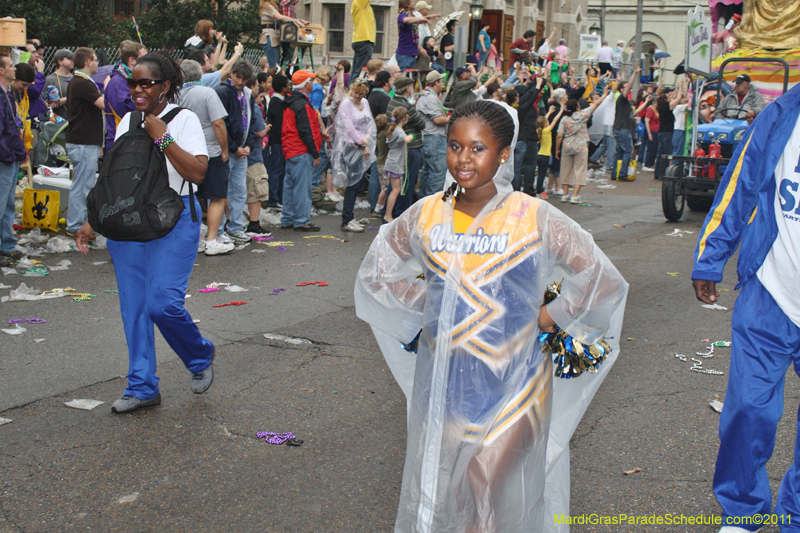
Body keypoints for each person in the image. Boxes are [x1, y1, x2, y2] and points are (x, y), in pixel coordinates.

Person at [354, 98, 627, 533]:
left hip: (515, 385)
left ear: (504, 153)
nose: (463, 159)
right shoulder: (426, 214)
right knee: (449, 494)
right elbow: (376, 275)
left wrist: (547, 317)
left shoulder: (534, 216)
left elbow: (602, 280)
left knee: (484, 495)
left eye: (478, 148)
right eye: (455, 146)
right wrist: (433, 306)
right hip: (445, 386)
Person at [75, 52, 214, 414]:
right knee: (134, 309)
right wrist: (94, 219)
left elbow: (197, 174)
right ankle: (142, 386)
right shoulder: (126, 122)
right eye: (133, 82)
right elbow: (115, 178)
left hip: (175, 223)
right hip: (127, 226)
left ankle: (199, 355)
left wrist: (163, 138)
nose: (136, 89)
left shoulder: (183, 120)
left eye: (145, 83)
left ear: (165, 86)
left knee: (162, 305)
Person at [690, 82, 800, 533]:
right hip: (770, 293)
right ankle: (742, 510)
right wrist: (710, 257)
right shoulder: (779, 117)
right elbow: (738, 187)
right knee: (749, 409)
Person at [177, 59, 234, 256]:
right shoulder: (207, 93)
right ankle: (211, 240)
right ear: (199, 74)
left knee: (191, 196)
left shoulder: (175, 95)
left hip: (183, 153)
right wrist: (224, 150)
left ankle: (195, 239)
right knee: (217, 196)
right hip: (209, 151)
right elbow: (218, 123)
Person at [65, 47, 104, 238]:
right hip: (83, 141)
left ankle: (79, 222)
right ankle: (76, 224)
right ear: (88, 62)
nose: (97, 63)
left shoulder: (78, 81)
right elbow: (103, 104)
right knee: (82, 185)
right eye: (95, 60)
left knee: (83, 183)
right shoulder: (84, 83)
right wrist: (109, 87)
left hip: (83, 140)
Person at [215, 60, 256, 244]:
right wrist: (232, 147)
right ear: (231, 74)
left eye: (244, 78)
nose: (240, 81)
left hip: (242, 149)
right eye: (237, 77)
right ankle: (218, 228)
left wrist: (249, 145)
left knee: (239, 191)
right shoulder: (223, 91)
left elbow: (251, 120)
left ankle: (235, 227)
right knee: (221, 191)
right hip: (228, 149)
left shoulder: (247, 93)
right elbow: (221, 123)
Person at [332, 79, 376, 233]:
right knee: (352, 184)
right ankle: (347, 219)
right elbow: (348, 126)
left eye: (361, 94)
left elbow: (370, 122)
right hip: (351, 147)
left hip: (363, 145)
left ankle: (349, 216)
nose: (358, 96)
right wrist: (362, 142)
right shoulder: (346, 103)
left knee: (358, 184)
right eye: (356, 93)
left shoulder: (365, 102)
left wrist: (368, 140)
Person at [280, 70, 322, 231]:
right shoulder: (303, 104)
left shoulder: (290, 102)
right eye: (311, 81)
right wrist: (315, 153)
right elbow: (306, 130)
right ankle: (301, 220)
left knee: (290, 186)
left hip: (290, 149)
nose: (313, 83)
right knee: (302, 187)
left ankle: (288, 218)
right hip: (301, 149)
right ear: (306, 85)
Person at [556, 82, 610, 204]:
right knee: (580, 170)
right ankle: (575, 195)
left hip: (567, 146)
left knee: (565, 169)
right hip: (581, 146)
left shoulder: (565, 119)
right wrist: (605, 93)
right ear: (577, 107)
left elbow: (559, 135)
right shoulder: (583, 115)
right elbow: (596, 103)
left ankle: (565, 195)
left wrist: (557, 149)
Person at [0, 54, 26, 267]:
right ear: (1, 70)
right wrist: (7, 155)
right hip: (5, 159)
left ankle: (6, 245)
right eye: (10, 66)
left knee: (8, 205)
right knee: (1, 206)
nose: (14, 68)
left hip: (12, 155)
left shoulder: (8, 93)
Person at [386, 75, 424, 217]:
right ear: (408, 88)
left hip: (397, 151)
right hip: (410, 149)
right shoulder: (406, 105)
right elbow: (421, 124)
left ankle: (388, 211)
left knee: (395, 184)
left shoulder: (391, 102)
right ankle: (401, 214)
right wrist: (413, 125)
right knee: (407, 183)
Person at [104, 40, 147, 153]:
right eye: (144, 59)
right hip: (120, 142)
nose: (148, 63)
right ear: (132, 60)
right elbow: (127, 111)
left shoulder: (130, 80)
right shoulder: (118, 82)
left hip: (131, 141)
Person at [416, 70, 449, 197]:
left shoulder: (426, 96)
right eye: (441, 81)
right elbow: (438, 120)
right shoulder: (430, 98)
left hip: (429, 138)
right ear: (436, 82)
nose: (442, 83)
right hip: (434, 138)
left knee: (427, 171)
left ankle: (424, 201)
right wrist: (455, 117)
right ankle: (432, 204)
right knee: (438, 172)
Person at [381, 106, 413, 223]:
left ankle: (384, 212)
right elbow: (406, 140)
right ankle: (388, 215)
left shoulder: (394, 129)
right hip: (395, 164)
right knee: (395, 190)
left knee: (392, 189)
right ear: (404, 118)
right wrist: (411, 135)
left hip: (392, 162)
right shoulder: (399, 131)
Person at [612, 65, 642, 181]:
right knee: (627, 151)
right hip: (622, 128)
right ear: (621, 89)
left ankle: (615, 174)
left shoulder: (625, 103)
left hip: (620, 128)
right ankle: (623, 174)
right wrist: (634, 73)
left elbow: (635, 112)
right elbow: (629, 86)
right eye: (624, 88)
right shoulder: (622, 98)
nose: (628, 89)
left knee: (619, 151)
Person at [266, 74, 290, 208]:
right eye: (287, 84)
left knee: (281, 170)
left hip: (281, 141)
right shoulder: (276, 102)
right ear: (282, 87)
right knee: (276, 169)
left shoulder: (282, 100)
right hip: (277, 141)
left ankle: (279, 197)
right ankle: (273, 198)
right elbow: (278, 124)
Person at [260, 0, 305, 69]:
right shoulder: (267, 6)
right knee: (274, 67)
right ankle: (272, 79)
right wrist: (296, 21)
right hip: (269, 37)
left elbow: (282, 17)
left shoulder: (269, 6)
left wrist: (299, 20)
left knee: (276, 66)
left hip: (272, 37)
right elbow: (279, 17)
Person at [535, 105, 563, 197]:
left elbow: (542, 121)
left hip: (538, 155)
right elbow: (555, 120)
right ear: (546, 124)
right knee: (542, 175)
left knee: (539, 174)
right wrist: (561, 111)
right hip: (545, 156)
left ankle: (538, 190)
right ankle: (540, 191)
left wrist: (549, 112)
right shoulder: (547, 130)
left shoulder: (538, 131)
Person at [395, 0, 429, 71]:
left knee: (410, 79)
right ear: (406, 4)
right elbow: (405, 20)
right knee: (404, 79)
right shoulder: (402, 15)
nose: (414, 3)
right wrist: (421, 18)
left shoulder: (411, 16)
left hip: (412, 53)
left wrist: (429, 17)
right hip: (404, 54)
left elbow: (417, 21)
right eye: (412, 2)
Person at [351, 0, 376, 88]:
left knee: (357, 71)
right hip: (364, 40)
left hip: (364, 40)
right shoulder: (359, 2)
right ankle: (353, 93)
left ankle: (351, 92)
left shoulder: (364, 5)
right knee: (358, 73)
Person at [46, 49, 73, 120]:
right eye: (69, 59)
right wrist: (67, 98)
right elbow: (47, 105)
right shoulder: (50, 80)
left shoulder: (75, 78)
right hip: (59, 122)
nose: (72, 61)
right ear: (60, 61)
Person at [642, 93, 659, 172]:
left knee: (654, 149)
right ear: (654, 102)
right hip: (652, 130)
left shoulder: (656, 110)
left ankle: (650, 164)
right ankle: (647, 164)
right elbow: (647, 120)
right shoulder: (650, 109)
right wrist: (649, 133)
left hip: (656, 130)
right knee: (651, 148)